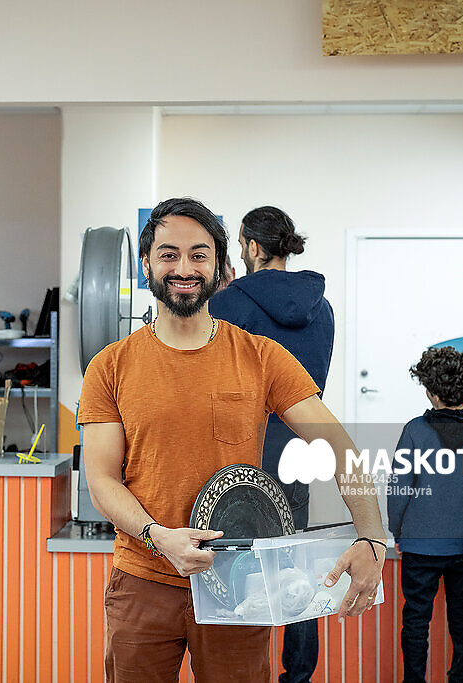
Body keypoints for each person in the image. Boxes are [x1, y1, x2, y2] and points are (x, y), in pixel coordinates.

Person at [78, 197, 385, 683]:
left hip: (241, 583)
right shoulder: (110, 366)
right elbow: (101, 480)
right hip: (143, 579)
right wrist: (158, 537)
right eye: (169, 254)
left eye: (199, 255)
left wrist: (372, 536)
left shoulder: (262, 357)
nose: (184, 268)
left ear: (222, 266)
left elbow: (339, 447)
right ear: (146, 265)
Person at [208, 205, 335, 683]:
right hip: (298, 453)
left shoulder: (228, 305)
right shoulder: (322, 308)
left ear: (253, 247)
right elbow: (311, 388)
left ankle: (244, 672)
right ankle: (298, 676)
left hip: (239, 458)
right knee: (294, 567)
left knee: (236, 570)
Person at [387, 346, 463, 683]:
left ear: (432, 392)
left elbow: (399, 488)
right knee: (462, 616)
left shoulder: (415, 430)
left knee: (416, 620)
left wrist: (398, 531)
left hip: (418, 543)